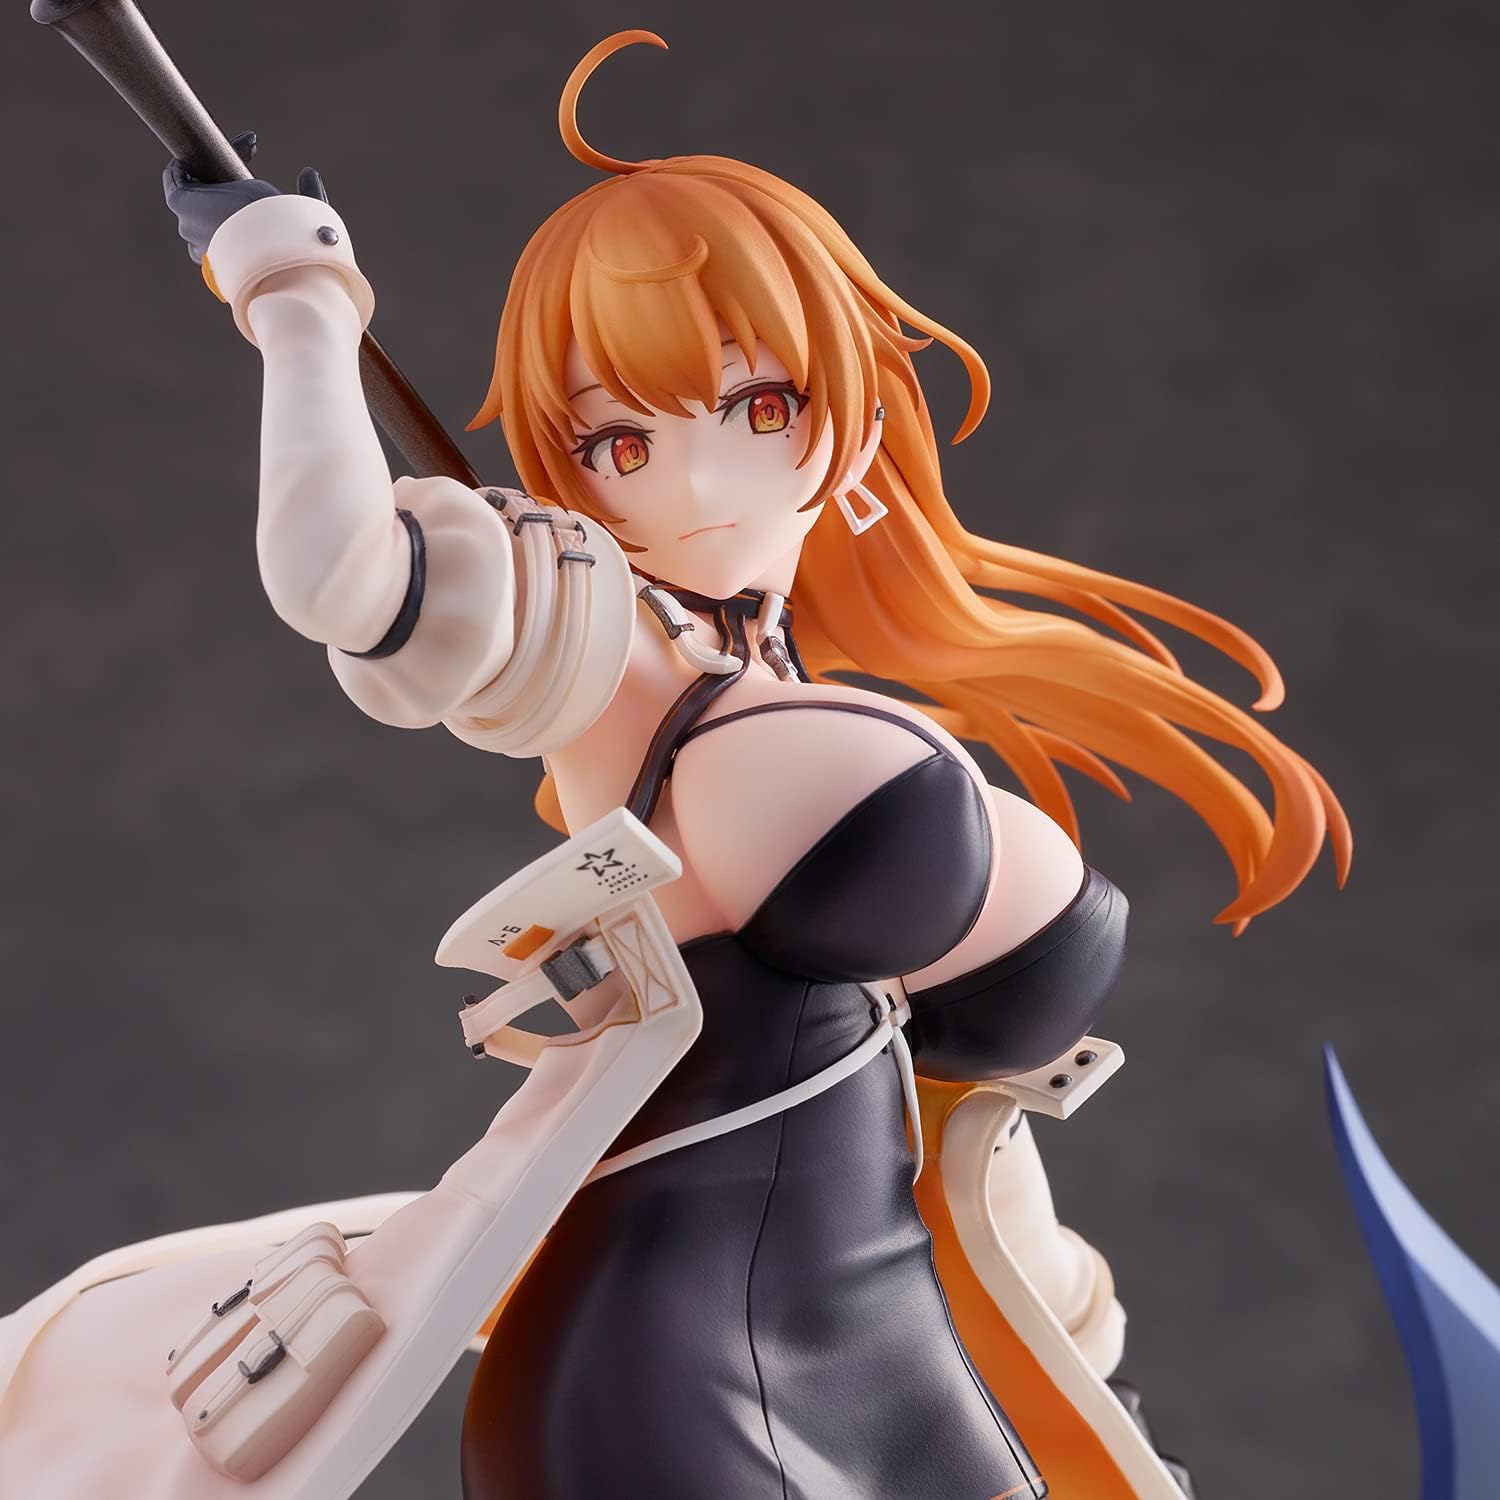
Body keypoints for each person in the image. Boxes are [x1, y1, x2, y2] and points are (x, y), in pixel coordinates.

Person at [2, 28, 1348, 1500]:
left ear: (854, 420)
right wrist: (298, 295)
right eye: (616, 442)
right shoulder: (597, 646)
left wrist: (1074, 1340)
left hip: (894, 1351)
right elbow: (340, 573)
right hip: (662, 1354)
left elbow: (956, 1113)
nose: (692, 477)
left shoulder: (781, 674)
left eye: (759, 408)